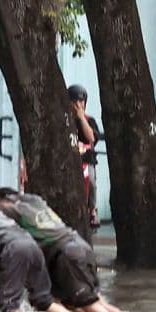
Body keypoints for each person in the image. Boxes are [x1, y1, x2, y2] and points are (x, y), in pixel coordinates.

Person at [0, 187, 122, 312]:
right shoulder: (35, 201)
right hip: (80, 247)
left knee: (90, 306)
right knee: (87, 302)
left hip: (67, 255)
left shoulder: (10, 208)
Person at [67, 84, 101, 228]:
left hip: (86, 160)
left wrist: (81, 119)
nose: (78, 105)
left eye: (81, 102)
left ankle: (92, 209)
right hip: (69, 161)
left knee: (91, 181)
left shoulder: (89, 120)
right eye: (75, 101)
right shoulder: (64, 121)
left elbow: (91, 138)